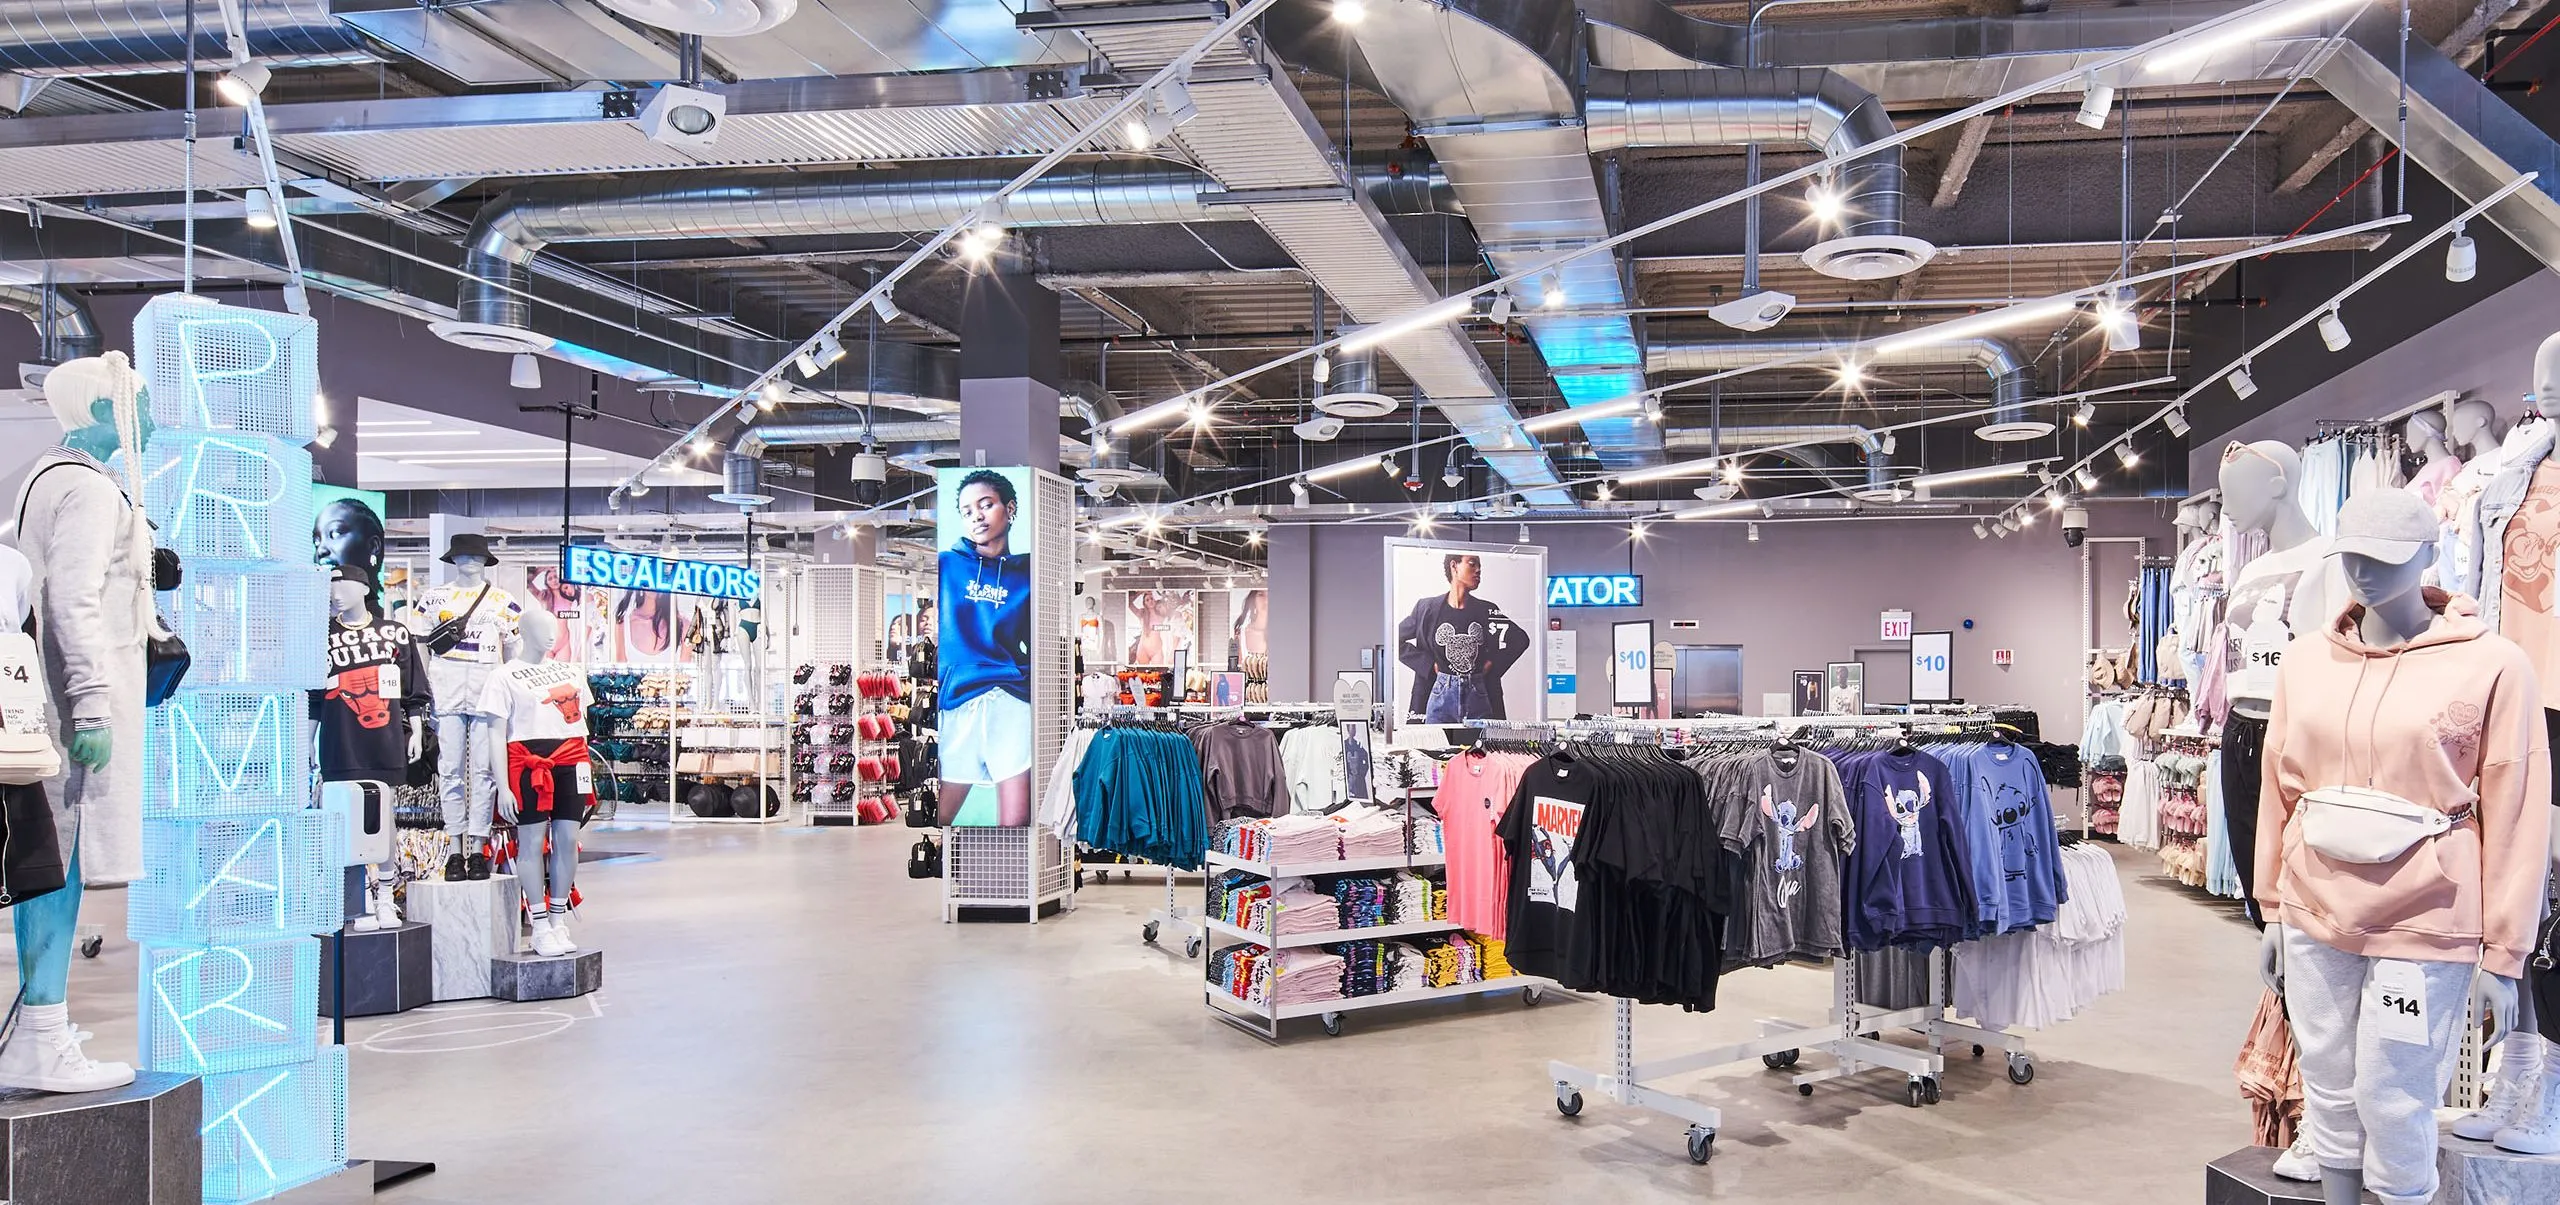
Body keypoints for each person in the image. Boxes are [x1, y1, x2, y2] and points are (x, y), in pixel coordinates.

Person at [936, 471, 1033, 826]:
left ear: (1009, 509)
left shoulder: (1027, 573)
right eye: (967, 510)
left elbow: (1037, 641)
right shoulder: (947, 565)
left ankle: (1013, 882)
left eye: (986, 504)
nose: (976, 515)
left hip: (1010, 701)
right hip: (957, 702)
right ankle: (951, 874)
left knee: (1016, 822)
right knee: (942, 815)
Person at [1397, 553, 1529, 722]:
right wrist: (1429, 665)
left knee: (1480, 748)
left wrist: (1491, 664)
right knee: (1432, 747)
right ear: (1454, 566)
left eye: (1479, 566)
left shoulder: (1487, 610)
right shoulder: (1426, 609)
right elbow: (1394, 638)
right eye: (1472, 564)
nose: (1478, 570)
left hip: (1480, 697)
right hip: (1434, 699)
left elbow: (1520, 640)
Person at [312, 496, 387, 611]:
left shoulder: (388, 628)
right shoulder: (309, 622)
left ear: (373, 546)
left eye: (336, 534)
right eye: (317, 540)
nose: (321, 550)